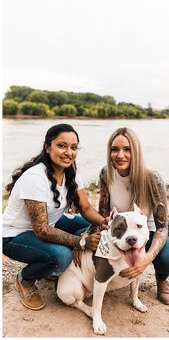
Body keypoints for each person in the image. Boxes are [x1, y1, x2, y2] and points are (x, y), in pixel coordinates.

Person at [3, 123, 108, 311]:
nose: (69, 152)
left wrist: (103, 222)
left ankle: (56, 267)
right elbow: (41, 229)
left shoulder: (72, 174)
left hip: (48, 225)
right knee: (61, 256)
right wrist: (80, 242)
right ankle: (25, 279)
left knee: (89, 225)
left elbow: (85, 207)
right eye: (62, 145)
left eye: (73, 147)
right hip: (14, 236)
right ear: (47, 147)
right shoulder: (34, 178)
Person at [98, 127, 169, 305]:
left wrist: (147, 259)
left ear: (136, 151)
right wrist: (94, 232)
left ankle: (162, 278)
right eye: (114, 149)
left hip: (147, 232)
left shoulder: (152, 177)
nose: (120, 155)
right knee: (82, 241)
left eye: (127, 149)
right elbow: (103, 214)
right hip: (118, 232)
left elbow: (162, 227)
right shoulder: (106, 174)